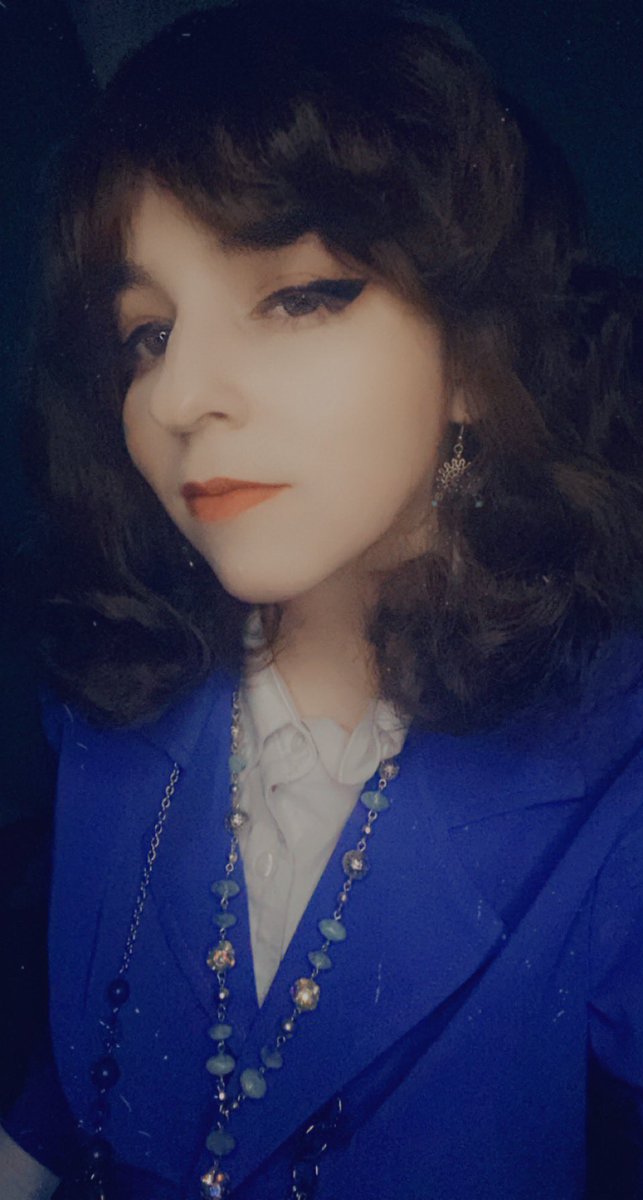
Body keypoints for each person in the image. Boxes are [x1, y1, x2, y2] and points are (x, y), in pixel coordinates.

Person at [2, 0, 643, 1196]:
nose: (177, 396)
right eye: (145, 334)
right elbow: (90, 1051)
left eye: (296, 295)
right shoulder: (107, 696)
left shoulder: (616, 779)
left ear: (474, 354)